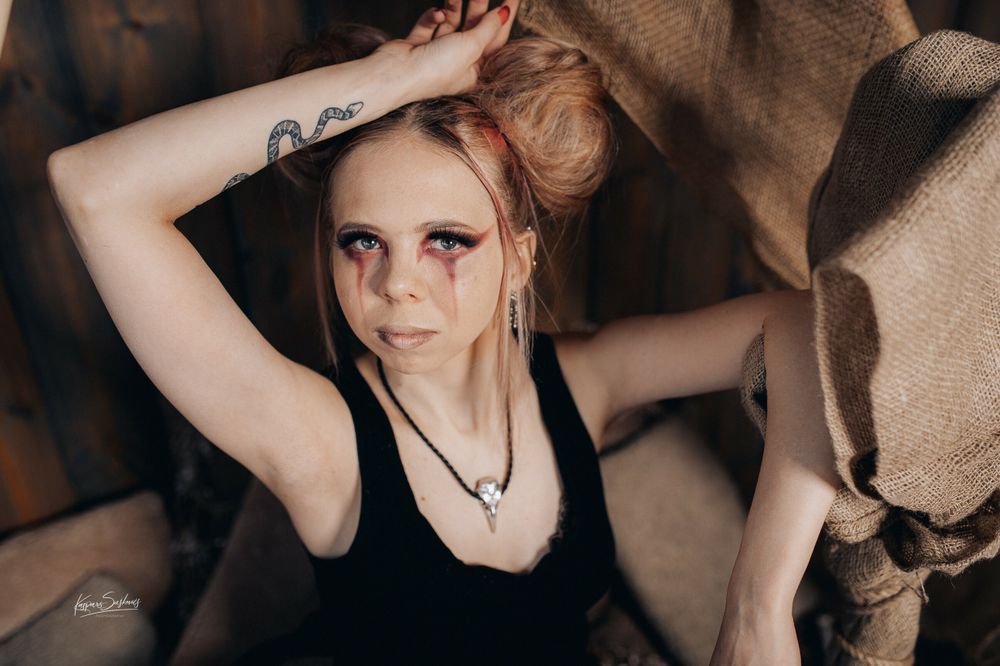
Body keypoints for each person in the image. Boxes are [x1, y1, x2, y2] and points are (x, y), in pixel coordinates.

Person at [46, 1, 840, 663]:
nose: (397, 283)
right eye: (363, 240)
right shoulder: (320, 443)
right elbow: (95, 190)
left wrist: (757, 606)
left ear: (518, 259)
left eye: (447, 240)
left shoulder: (589, 377)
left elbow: (806, 326)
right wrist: (395, 81)